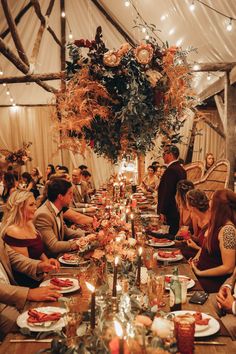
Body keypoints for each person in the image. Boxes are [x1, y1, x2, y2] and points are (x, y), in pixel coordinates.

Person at [0, 237, 61, 338]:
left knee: (56, 316)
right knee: (33, 331)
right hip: (2, 306)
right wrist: (28, 293)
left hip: (13, 295)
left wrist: (40, 265)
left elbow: (14, 257)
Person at [1, 190, 59, 287]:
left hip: (40, 274)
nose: (36, 208)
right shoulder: (13, 231)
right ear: (20, 208)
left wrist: (48, 263)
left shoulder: (29, 223)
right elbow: (25, 267)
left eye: (35, 204)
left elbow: (39, 251)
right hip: (29, 282)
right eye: (31, 205)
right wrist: (47, 276)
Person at [190, 189, 236, 293]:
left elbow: (228, 267)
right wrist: (195, 261)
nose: (209, 203)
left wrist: (201, 273)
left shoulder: (228, 230)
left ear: (219, 206)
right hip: (200, 276)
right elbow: (204, 249)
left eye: (212, 199)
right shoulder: (216, 224)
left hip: (212, 284)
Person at [34, 178, 85, 257]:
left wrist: (87, 235)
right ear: (60, 196)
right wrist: (79, 243)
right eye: (70, 193)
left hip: (59, 256)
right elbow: (54, 246)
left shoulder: (57, 208)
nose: (72, 197)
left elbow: (66, 232)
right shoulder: (43, 215)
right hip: (50, 262)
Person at [157, 145, 186, 235]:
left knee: (169, 235)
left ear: (170, 154)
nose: (163, 156)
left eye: (164, 153)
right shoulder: (181, 169)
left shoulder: (171, 170)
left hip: (170, 209)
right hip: (177, 208)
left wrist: (162, 211)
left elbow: (167, 192)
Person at [214, 268, 236, 338]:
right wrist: (227, 287)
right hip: (232, 296)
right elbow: (233, 276)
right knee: (205, 306)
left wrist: (233, 306)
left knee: (219, 327)